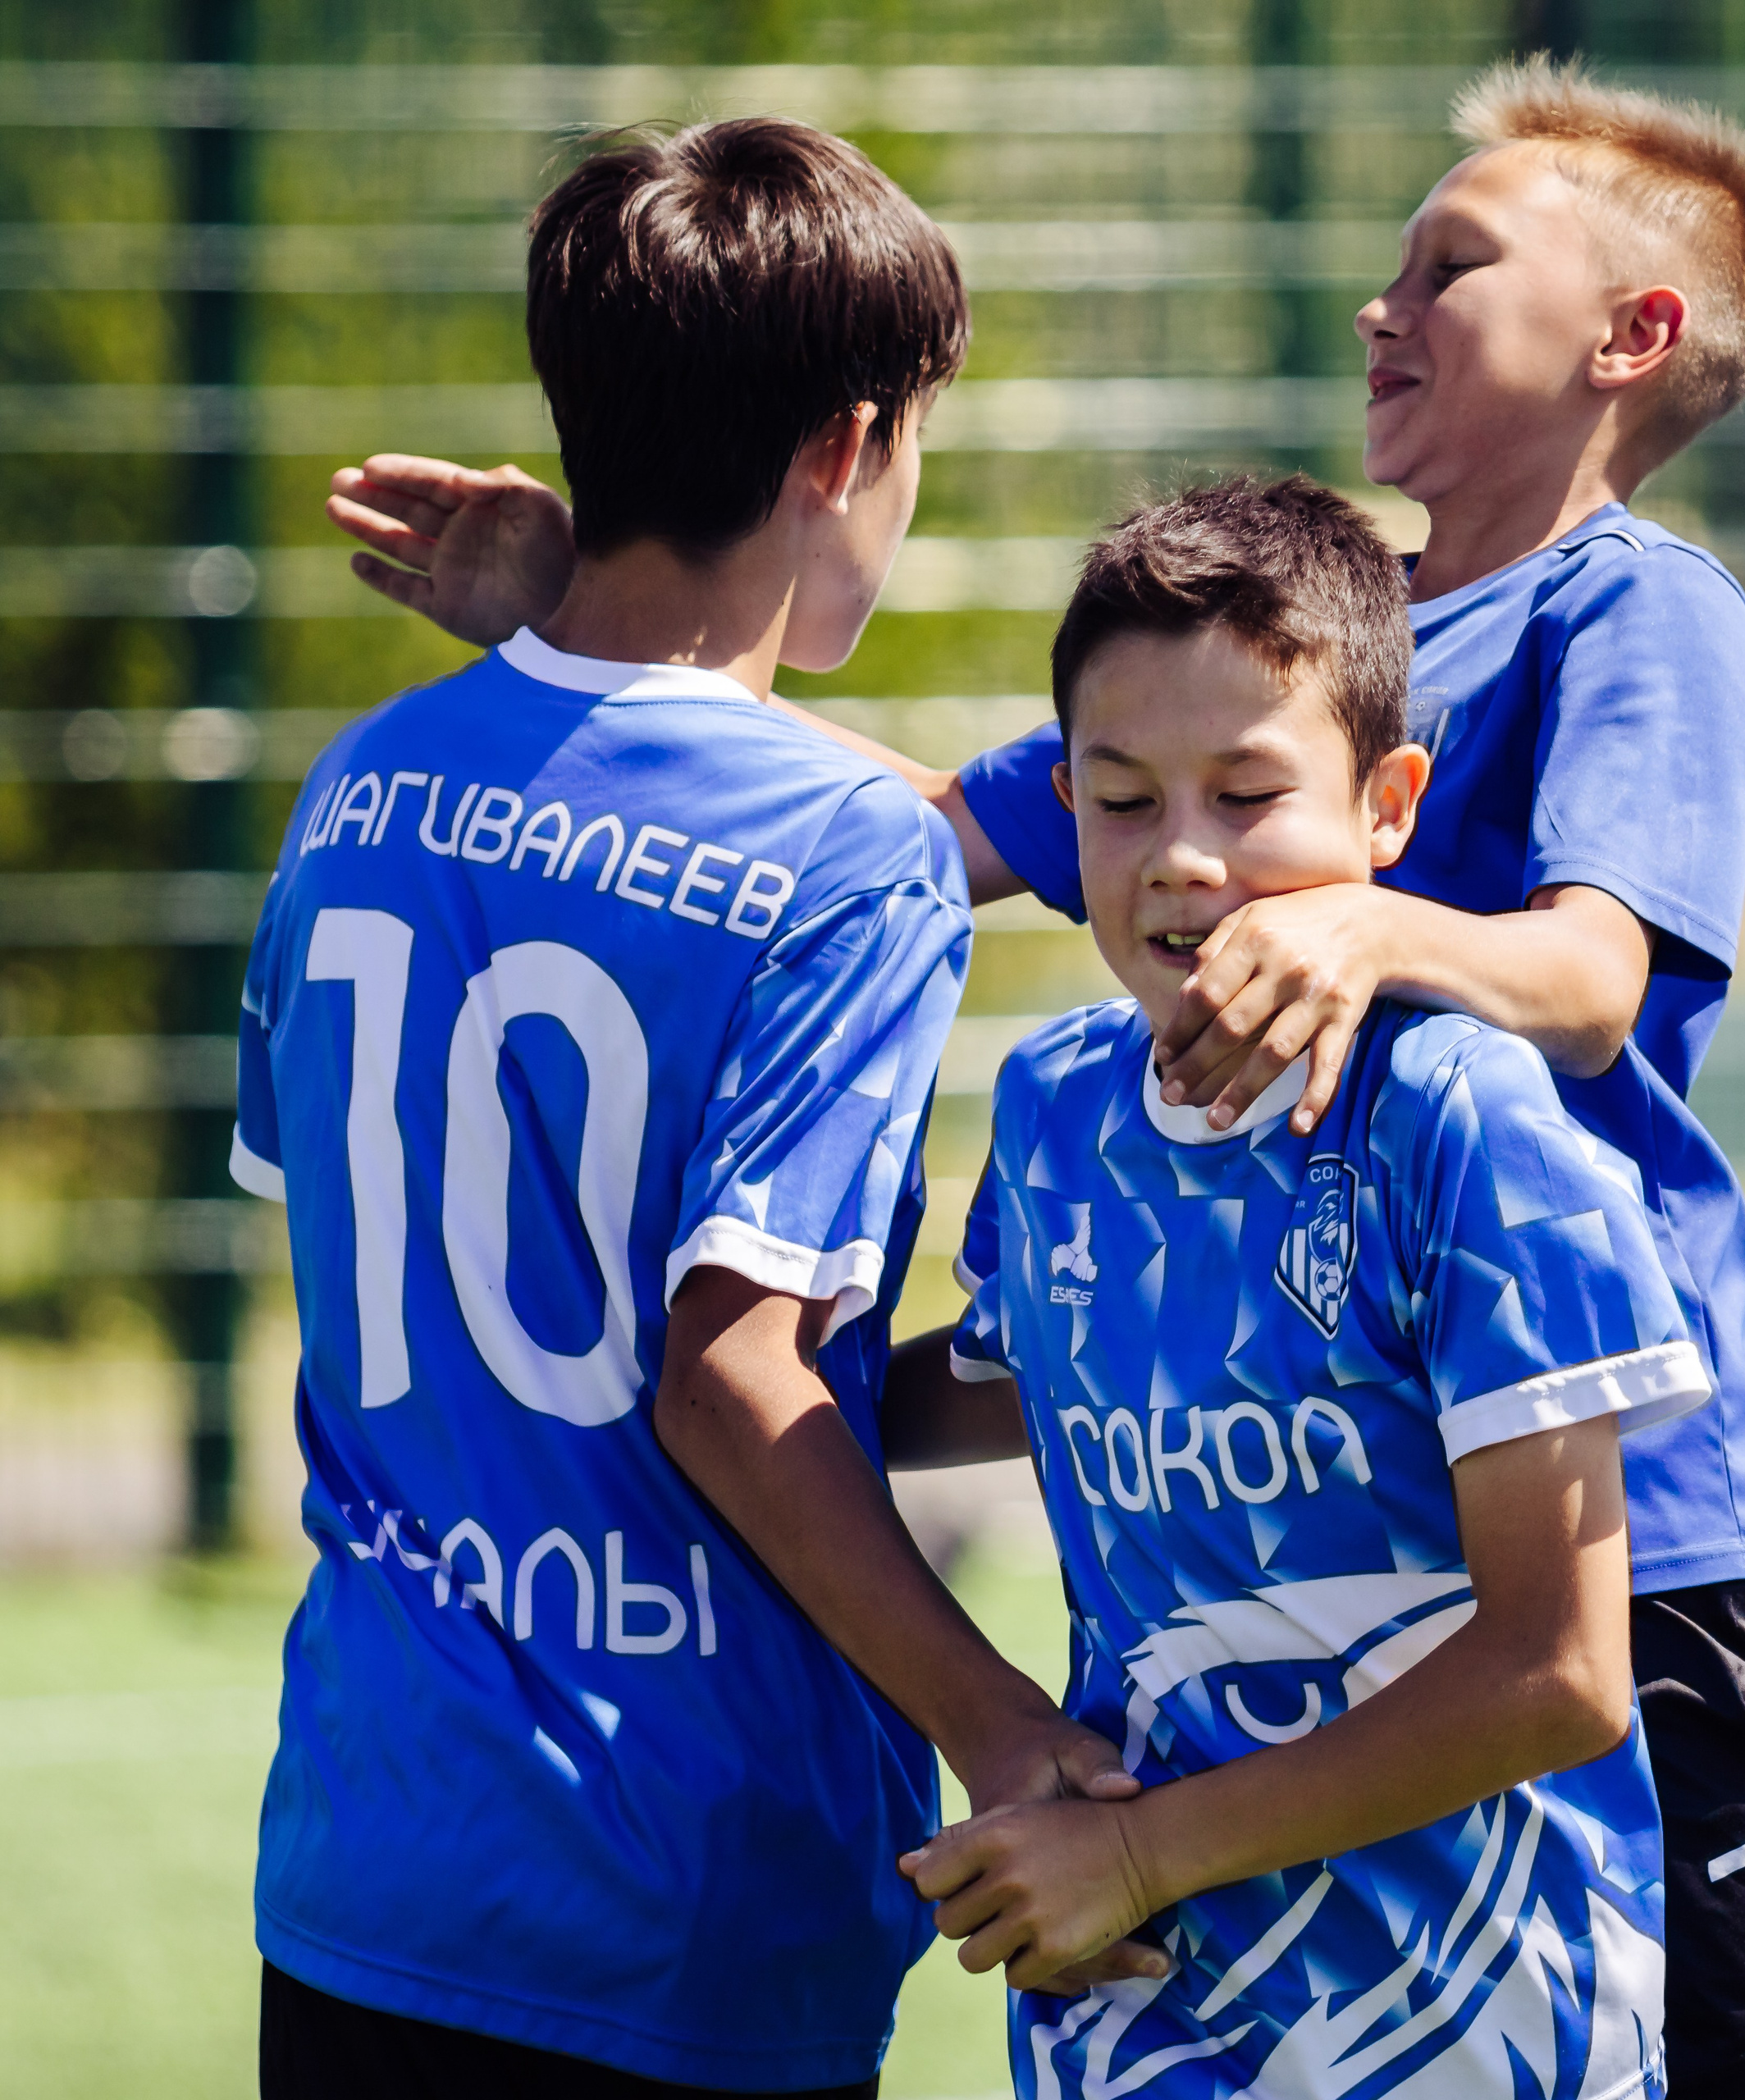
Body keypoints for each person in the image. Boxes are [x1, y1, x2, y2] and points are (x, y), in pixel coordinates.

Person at [324, 62, 1745, 2100]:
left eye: (1447, 266)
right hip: (1288, 1516)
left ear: (1630, 340)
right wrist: (585, 623)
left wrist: (1377, 932)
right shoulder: (1285, 640)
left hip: (1601, 1493)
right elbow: (900, 825)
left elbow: (1593, 973)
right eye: (1128, 798)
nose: (1380, 302)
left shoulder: (1639, 605)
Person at [233, 117, 1149, 2098]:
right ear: (842, 447)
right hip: (676, 1889)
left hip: (365, 1864)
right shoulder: (848, 856)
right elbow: (730, 1381)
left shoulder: (361, 785)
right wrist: (999, 1726)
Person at [890, 472, 1709, 2098]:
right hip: (1142, 2023)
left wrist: (1135, 1856)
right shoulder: (1055, 1103)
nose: (1181, 858)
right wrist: (719, 1390)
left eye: (1246, 793)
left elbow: (1559, 1672)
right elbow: (997, 1385)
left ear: (1386, 807)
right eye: (1120, 800)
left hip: (1474, 2031)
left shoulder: (1461, 1119)